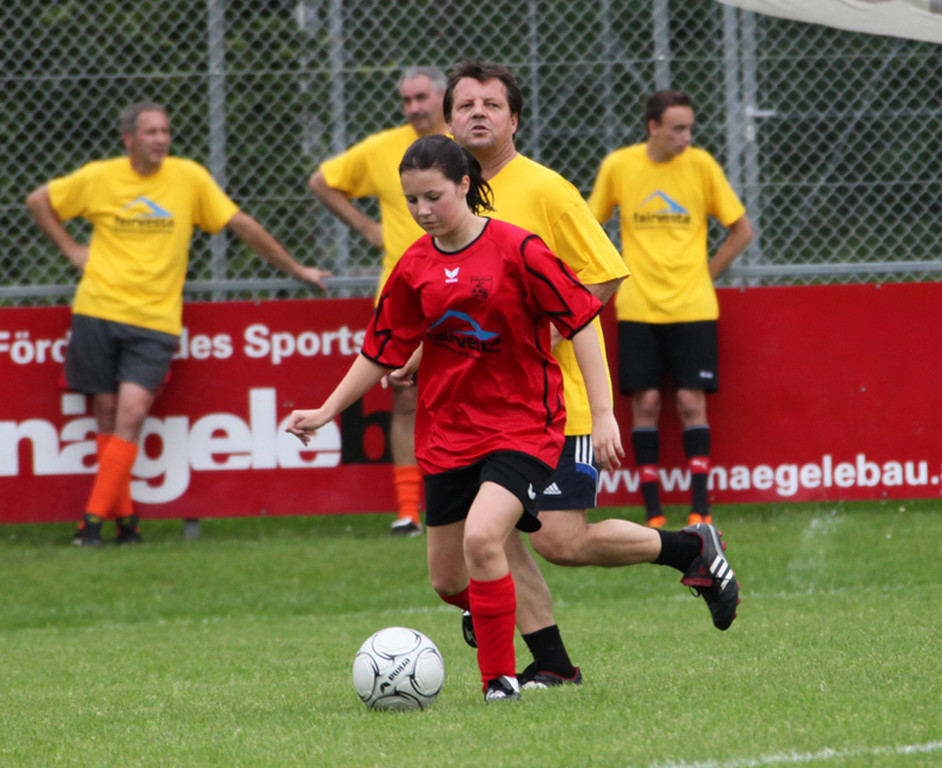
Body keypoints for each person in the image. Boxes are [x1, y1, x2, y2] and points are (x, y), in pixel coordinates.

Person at [287, 134, 623, 702]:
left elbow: (582, 320)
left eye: (433, 197)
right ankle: (494, 614)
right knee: (448, 580)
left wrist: (605, 413)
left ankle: (499, 681)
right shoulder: (414, 265)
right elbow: (381, 350)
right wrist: (326, 410)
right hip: (447, 431)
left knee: (484, 537)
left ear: (465, 185)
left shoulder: (519, 249)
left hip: (522, 424)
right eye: (411, 200)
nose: (422, 211)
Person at [445, 62, 742, 685]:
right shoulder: (446, 196)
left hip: (554, 401)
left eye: (492, 105)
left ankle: (690, 547)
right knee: (492, 535)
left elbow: (603, 275)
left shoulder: (546, 190)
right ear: (448, 121)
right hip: (480, 405)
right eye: (465, 105)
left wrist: (546, 336)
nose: (478, 113)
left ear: (514, 119)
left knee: (561, 540)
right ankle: (552, 664)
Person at [25, 100, 330, 546]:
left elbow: (240, 224)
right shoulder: (99, 177)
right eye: (151, 132)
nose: (161, 139)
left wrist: (297, 269)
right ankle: (127, 525)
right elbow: (38, 201)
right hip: (98, 310)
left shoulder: (189, 178)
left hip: (155, 320)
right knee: (106, 415)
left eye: (165, 131)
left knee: (131, 414)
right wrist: (73, 251)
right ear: (129, 139)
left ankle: (89, 524)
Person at [588, 90, 754, 528]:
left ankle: (701, 509)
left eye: (689, 128)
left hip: (693, 308)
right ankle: (654, 513)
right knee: (645, 403)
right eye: (678, 129)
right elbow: (589, 227)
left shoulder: (701, 165)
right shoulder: (620, 166)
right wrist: (610, 273)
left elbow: (741, 230)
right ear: (653, 128)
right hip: (638, 307)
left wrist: (705, 275)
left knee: (689, 401)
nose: (687, 137)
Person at [308, 66, 450, 537]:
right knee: (404, 396)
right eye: (406, 100)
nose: (413, 107)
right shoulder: (384, 148)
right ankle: (408, 511)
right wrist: (369, 229)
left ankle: (465, 501)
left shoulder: (465, 148)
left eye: (421, 97)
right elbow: (322, 182)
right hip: (403, 294)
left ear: (443, 96)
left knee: (463, 394)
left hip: (463, 291)